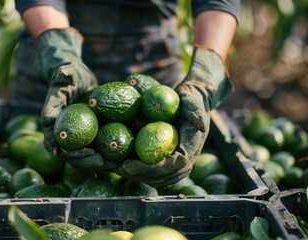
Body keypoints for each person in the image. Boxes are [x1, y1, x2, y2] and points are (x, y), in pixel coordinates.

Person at [12, 0, 239, 186]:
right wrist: (60, 55)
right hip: (59, 77)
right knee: (40, 162)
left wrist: (204, 77)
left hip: (153, 73)